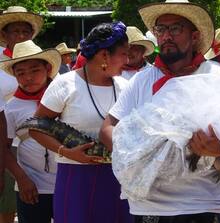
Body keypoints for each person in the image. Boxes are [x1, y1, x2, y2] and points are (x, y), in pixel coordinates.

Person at [100, 1, 220, 222]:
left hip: (200, 204)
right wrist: (133, 156)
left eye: (175, 29)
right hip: (148, 206)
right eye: (161, 29)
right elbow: (108, 127)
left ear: (194, 37)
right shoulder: (141, 80)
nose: (166, 36)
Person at [29, 22, 132, 223]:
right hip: (76, 178)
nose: (127, 60)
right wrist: (66, 152)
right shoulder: (65, 85)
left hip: (118, 177)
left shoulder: (125, 87)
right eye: (123, 54)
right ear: (104, 55)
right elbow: (36, 127)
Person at [0, 40, 61, 223]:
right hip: (31, 187)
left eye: (35, 70)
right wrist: (21, 179)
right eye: (21, 73)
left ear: (47, 69)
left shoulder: (62, 98)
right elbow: (4, 148)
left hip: (67, 185)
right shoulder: (11, 108)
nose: (28, 77)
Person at [0, 6, 43, 223]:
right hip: (5, 137)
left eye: (25, 31)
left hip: (33, 137)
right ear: (4, 35)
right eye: (15, 31)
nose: (20, 36)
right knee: (6, 198)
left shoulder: (40, 58)